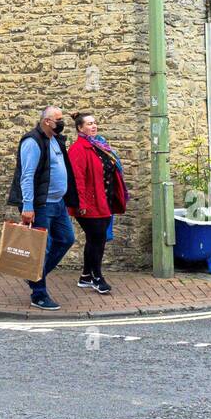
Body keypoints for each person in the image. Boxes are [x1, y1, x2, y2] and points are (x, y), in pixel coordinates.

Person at [8, 106, 79, 311]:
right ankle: (38, 294)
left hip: (58, 203)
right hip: (41, 205)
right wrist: (28, 206)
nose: (62, 122)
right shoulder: (32, 141)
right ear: (47, 121)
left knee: (66, 239)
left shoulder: (55, 140)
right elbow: (27, 176)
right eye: (58, 119)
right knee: (41, 249)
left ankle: (34, 277)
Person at [66, 111, 128, 295]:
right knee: (97, 239)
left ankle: (85, 276)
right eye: (89, 124)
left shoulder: (99, 145)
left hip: (104, 201)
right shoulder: (79, 149)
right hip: (89, 204)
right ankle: (96, 277)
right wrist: (81, 204)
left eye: (94, 123)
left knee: (96, 239)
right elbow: (77, 179)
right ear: (80, 128)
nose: (93, 126)